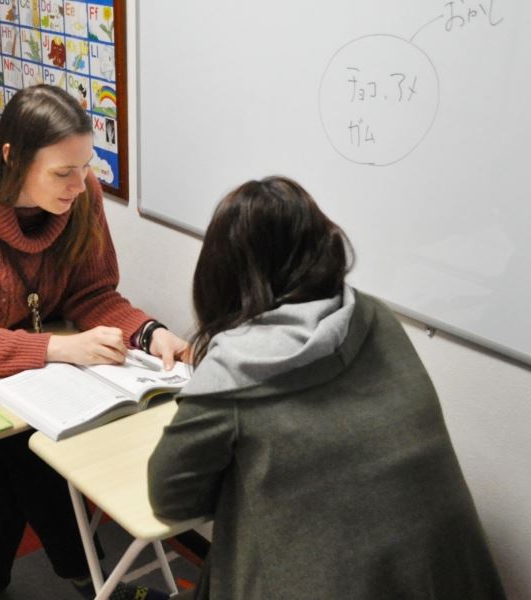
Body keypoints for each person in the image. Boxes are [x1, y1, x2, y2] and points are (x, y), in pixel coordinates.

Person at [0, 84, 187, 598]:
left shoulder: (82, 196)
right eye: (62, 172)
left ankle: (20, 582)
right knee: (24, 458)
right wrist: (59, 349)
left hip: (28, 377)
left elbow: (92, 293)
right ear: (12, 157)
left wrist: (149, 331)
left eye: (86, 166)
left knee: (33, 449)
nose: (79, 185)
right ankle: (83, 577)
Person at [147, 176, 506, 599]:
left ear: (222, 275)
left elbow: (169, 498)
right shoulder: (374, 318)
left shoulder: (233, 374)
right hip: (449, 579)